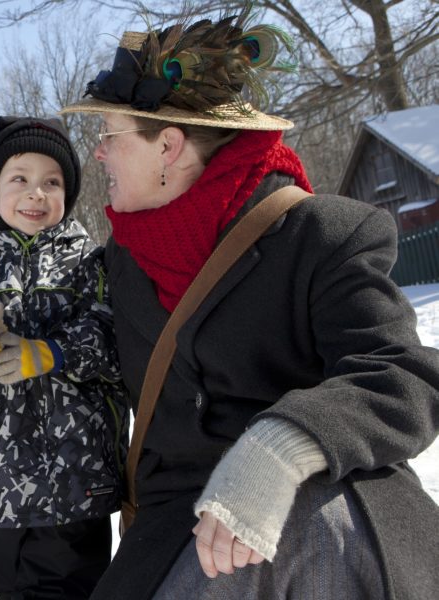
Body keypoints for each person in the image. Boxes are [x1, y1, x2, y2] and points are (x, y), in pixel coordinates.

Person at [59, 7, 439, 600]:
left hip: (330, 512)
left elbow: (404, 376)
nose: (99, 155)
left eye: (108, 135)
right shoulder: (122, 264)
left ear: (169, 146)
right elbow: (80, 345)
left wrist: (282, 447)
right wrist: (13, 340)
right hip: (175, 534)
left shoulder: (324, 235)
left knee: (311, 531)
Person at [0, 116, 130, 599]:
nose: (36, 193)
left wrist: (53, 353)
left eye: (52, 182)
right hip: (2, 481)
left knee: (76, 584)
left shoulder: (90, 260)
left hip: (77, 478)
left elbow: (114, 339)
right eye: (19, 179)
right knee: (10, 583)